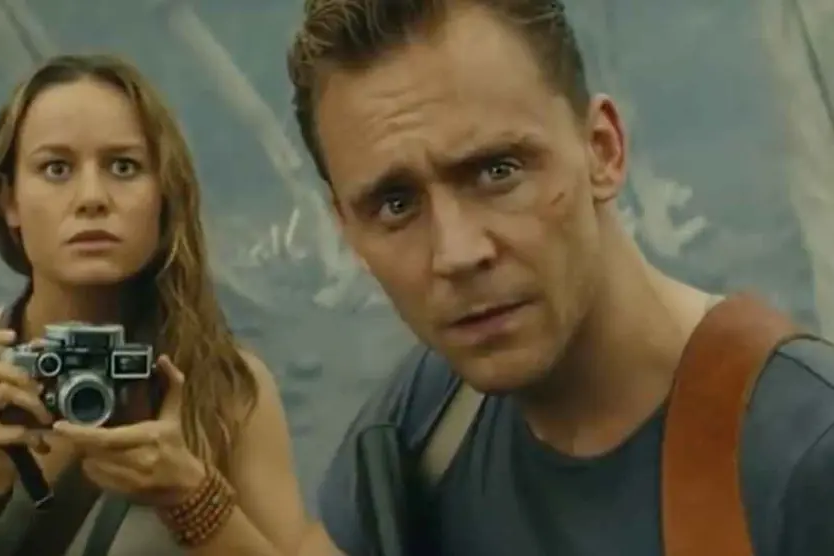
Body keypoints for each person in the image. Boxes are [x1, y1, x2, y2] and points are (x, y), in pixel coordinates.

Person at [284, 1, 834, 555]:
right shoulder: (431, 416)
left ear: (603, 151)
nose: (457, 253)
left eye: (497, 171)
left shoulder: (802, 455)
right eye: (396, 204)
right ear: (347, 231)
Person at [0, 54, 306, 556]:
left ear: (164, 194)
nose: (92, 197)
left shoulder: (226, 386)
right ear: (9, 201)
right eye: (56, 168)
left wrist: (192, 495)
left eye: (123, 167)